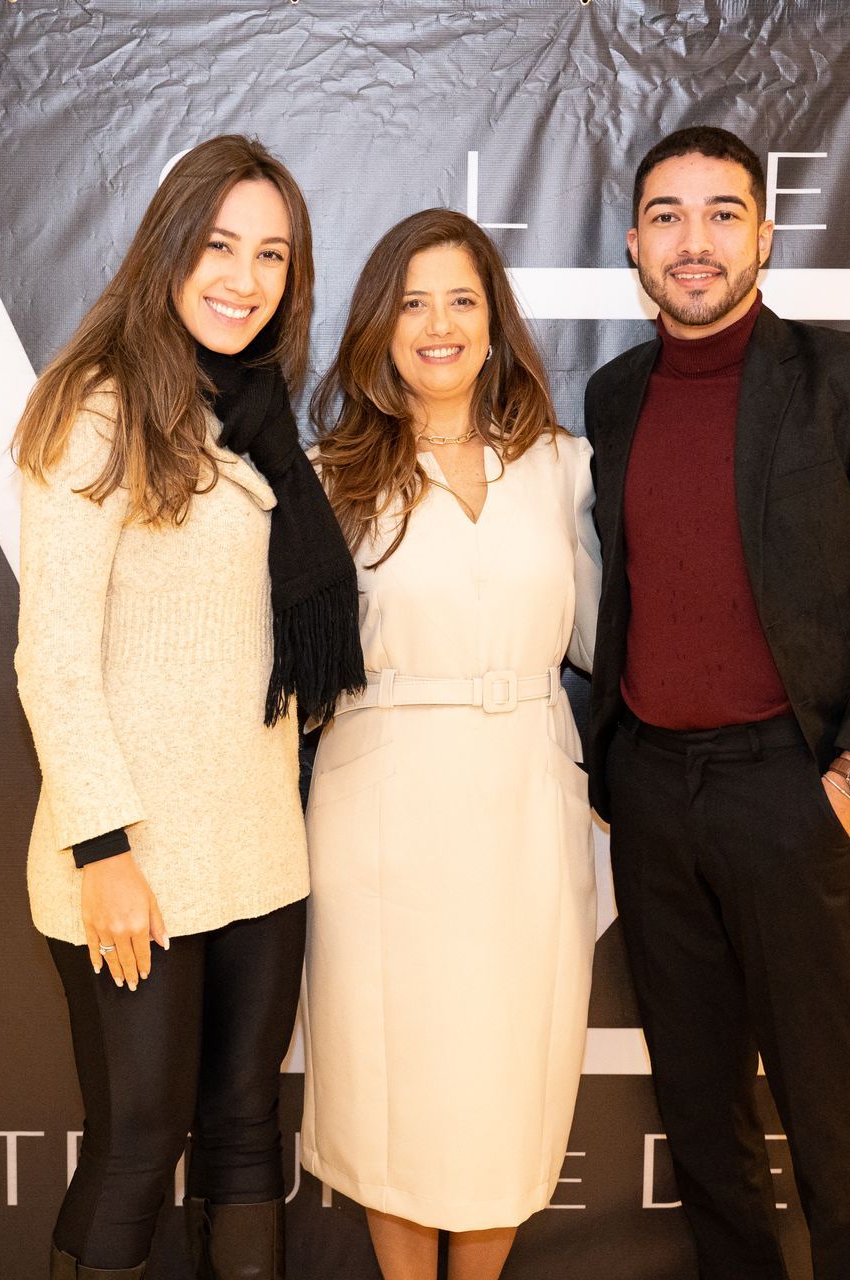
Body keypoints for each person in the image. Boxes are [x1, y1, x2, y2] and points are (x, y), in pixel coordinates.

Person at [583, 126, 850, 1280]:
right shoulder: (613, 397)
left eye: (721, 213)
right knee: (702, 1130)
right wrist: (623, 777)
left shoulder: (845, 378)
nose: (693, 242)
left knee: (835, 1136)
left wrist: (846, 784)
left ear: (763, 232)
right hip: (652, 800)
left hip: (794, 795)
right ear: (637, 242)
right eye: (667, 216)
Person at [10, 134, 363, 1280]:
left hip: (260, 847)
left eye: (271, 254)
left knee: (248, 1128)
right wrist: (103, 849)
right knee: (137, 1143)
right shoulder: (95, 410)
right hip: (132, 858)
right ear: (168, 248)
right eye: (219, 245)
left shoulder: (261, 419)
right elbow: (52, 659)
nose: (244, 277)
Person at [300, 208, 603, 1280]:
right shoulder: (327, 476)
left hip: (526, 801)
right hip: (380, 815)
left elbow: (613, 639)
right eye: (414, 301)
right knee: (396, 1085)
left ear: (494, 321)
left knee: (500, 1084)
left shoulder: (563, 466)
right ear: (381, 324)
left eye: (462, 300)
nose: (439, 324)